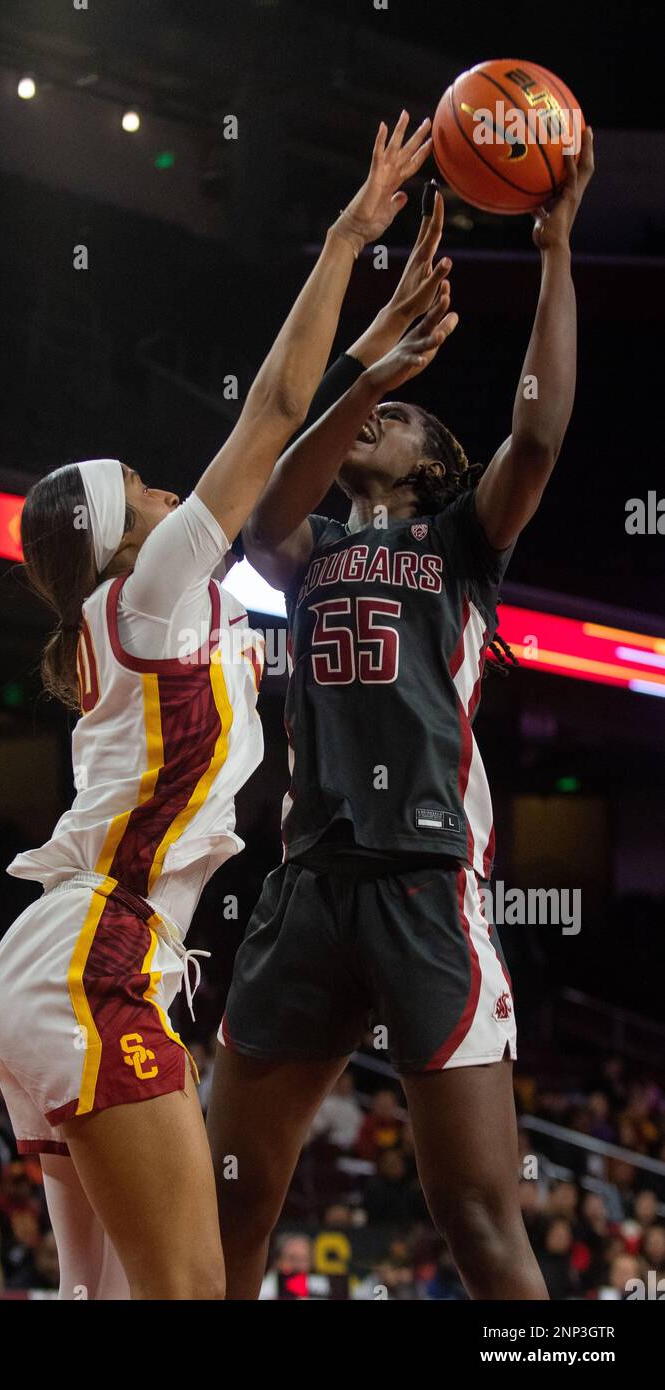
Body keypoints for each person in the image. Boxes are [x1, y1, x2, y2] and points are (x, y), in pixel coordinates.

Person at [0, 112, 436, 1301]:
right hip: (95, 957)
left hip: (70, 963)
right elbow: (270, 412)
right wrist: (345, 238)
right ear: (119, 534)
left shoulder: (141, 612)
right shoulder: (151, 590)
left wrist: (371, 371)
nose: (158, 483)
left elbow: (292, 435)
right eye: (136, 487)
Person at [207, 131, 595, 1300]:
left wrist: (554, 250)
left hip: (427, 881)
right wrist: (369, 371)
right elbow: (268, 506)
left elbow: (535, 432)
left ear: (433, 469)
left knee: (474, 1215)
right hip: (310, 881)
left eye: (402, 417)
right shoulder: (305, 543)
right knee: (229, 1192)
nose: (378, 422)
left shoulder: (459, 547)